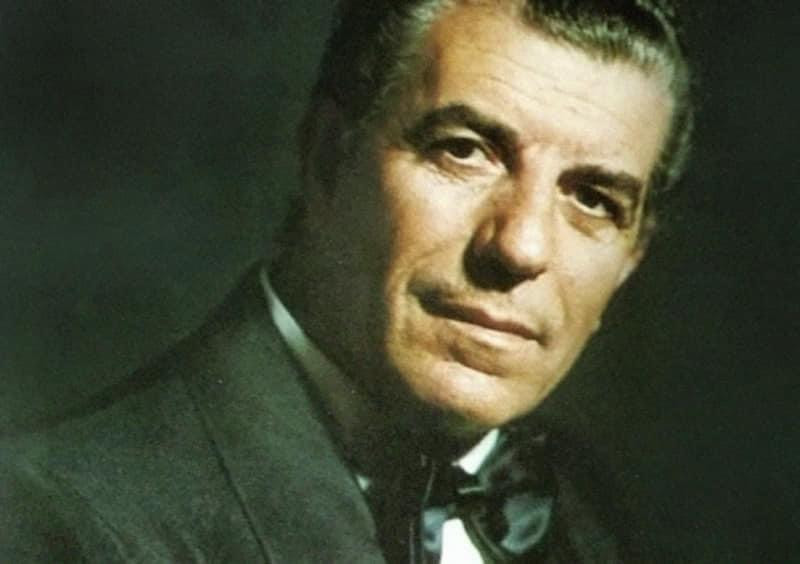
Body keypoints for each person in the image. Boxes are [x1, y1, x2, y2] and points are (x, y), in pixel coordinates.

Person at [0, 0, 693, 562]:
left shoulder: (593, 515)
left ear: (631, 258)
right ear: (327, 157)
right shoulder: (49, 522)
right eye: (464, 151)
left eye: (593, 199)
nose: (520, 246)